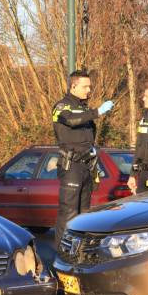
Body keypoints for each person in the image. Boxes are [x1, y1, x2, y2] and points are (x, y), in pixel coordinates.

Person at [52, 69, 114, 245]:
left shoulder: (82, 108)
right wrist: (98, 111)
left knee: (84, 214)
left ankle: (78, 252)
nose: (89, 90)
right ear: (73, 86)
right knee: (68, 212)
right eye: (85, 86)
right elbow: (71, 120)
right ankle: (60, 253)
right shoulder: (61, 106)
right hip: (71, 165)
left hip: (87, 166)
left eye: (90, 87)